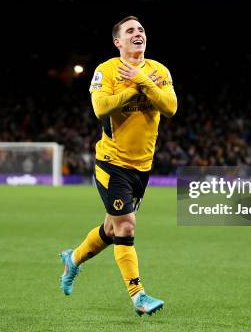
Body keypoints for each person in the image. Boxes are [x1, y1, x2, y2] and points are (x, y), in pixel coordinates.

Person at [59, 16, 177, 316]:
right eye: (130, 31)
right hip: (112, 163)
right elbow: (101, 107)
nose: (138, 34)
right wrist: (133, 89)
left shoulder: (158, 71)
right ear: (118, 42)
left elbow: (170, 106)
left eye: (141, 30)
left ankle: (73, 258)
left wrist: (143, 81)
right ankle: (138, 296)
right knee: (126, 226)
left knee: (112, 229)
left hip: (143, 166)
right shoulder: (106, 70)